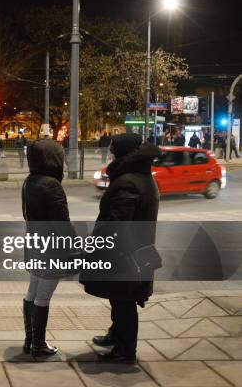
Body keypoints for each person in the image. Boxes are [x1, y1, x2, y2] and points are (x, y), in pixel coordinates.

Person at [80, 134, 159, 363]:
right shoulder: (140, 176)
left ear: (123, 153)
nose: (111, 154)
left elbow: (118, 222)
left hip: (124, 254)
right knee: (119, 298)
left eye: (114, 151)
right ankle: (116, 336)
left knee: (124, 301)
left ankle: (125, 351)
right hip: (132, 251)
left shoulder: (128, 181)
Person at [22, 139, 76, 359]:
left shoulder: (30, 180)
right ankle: (39, 345)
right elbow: (62, 224)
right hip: (51, 249)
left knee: (32, 292)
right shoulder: (52, 185)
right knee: (43, 297)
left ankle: (29, 340)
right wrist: (75, 249)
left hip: (34, 244)